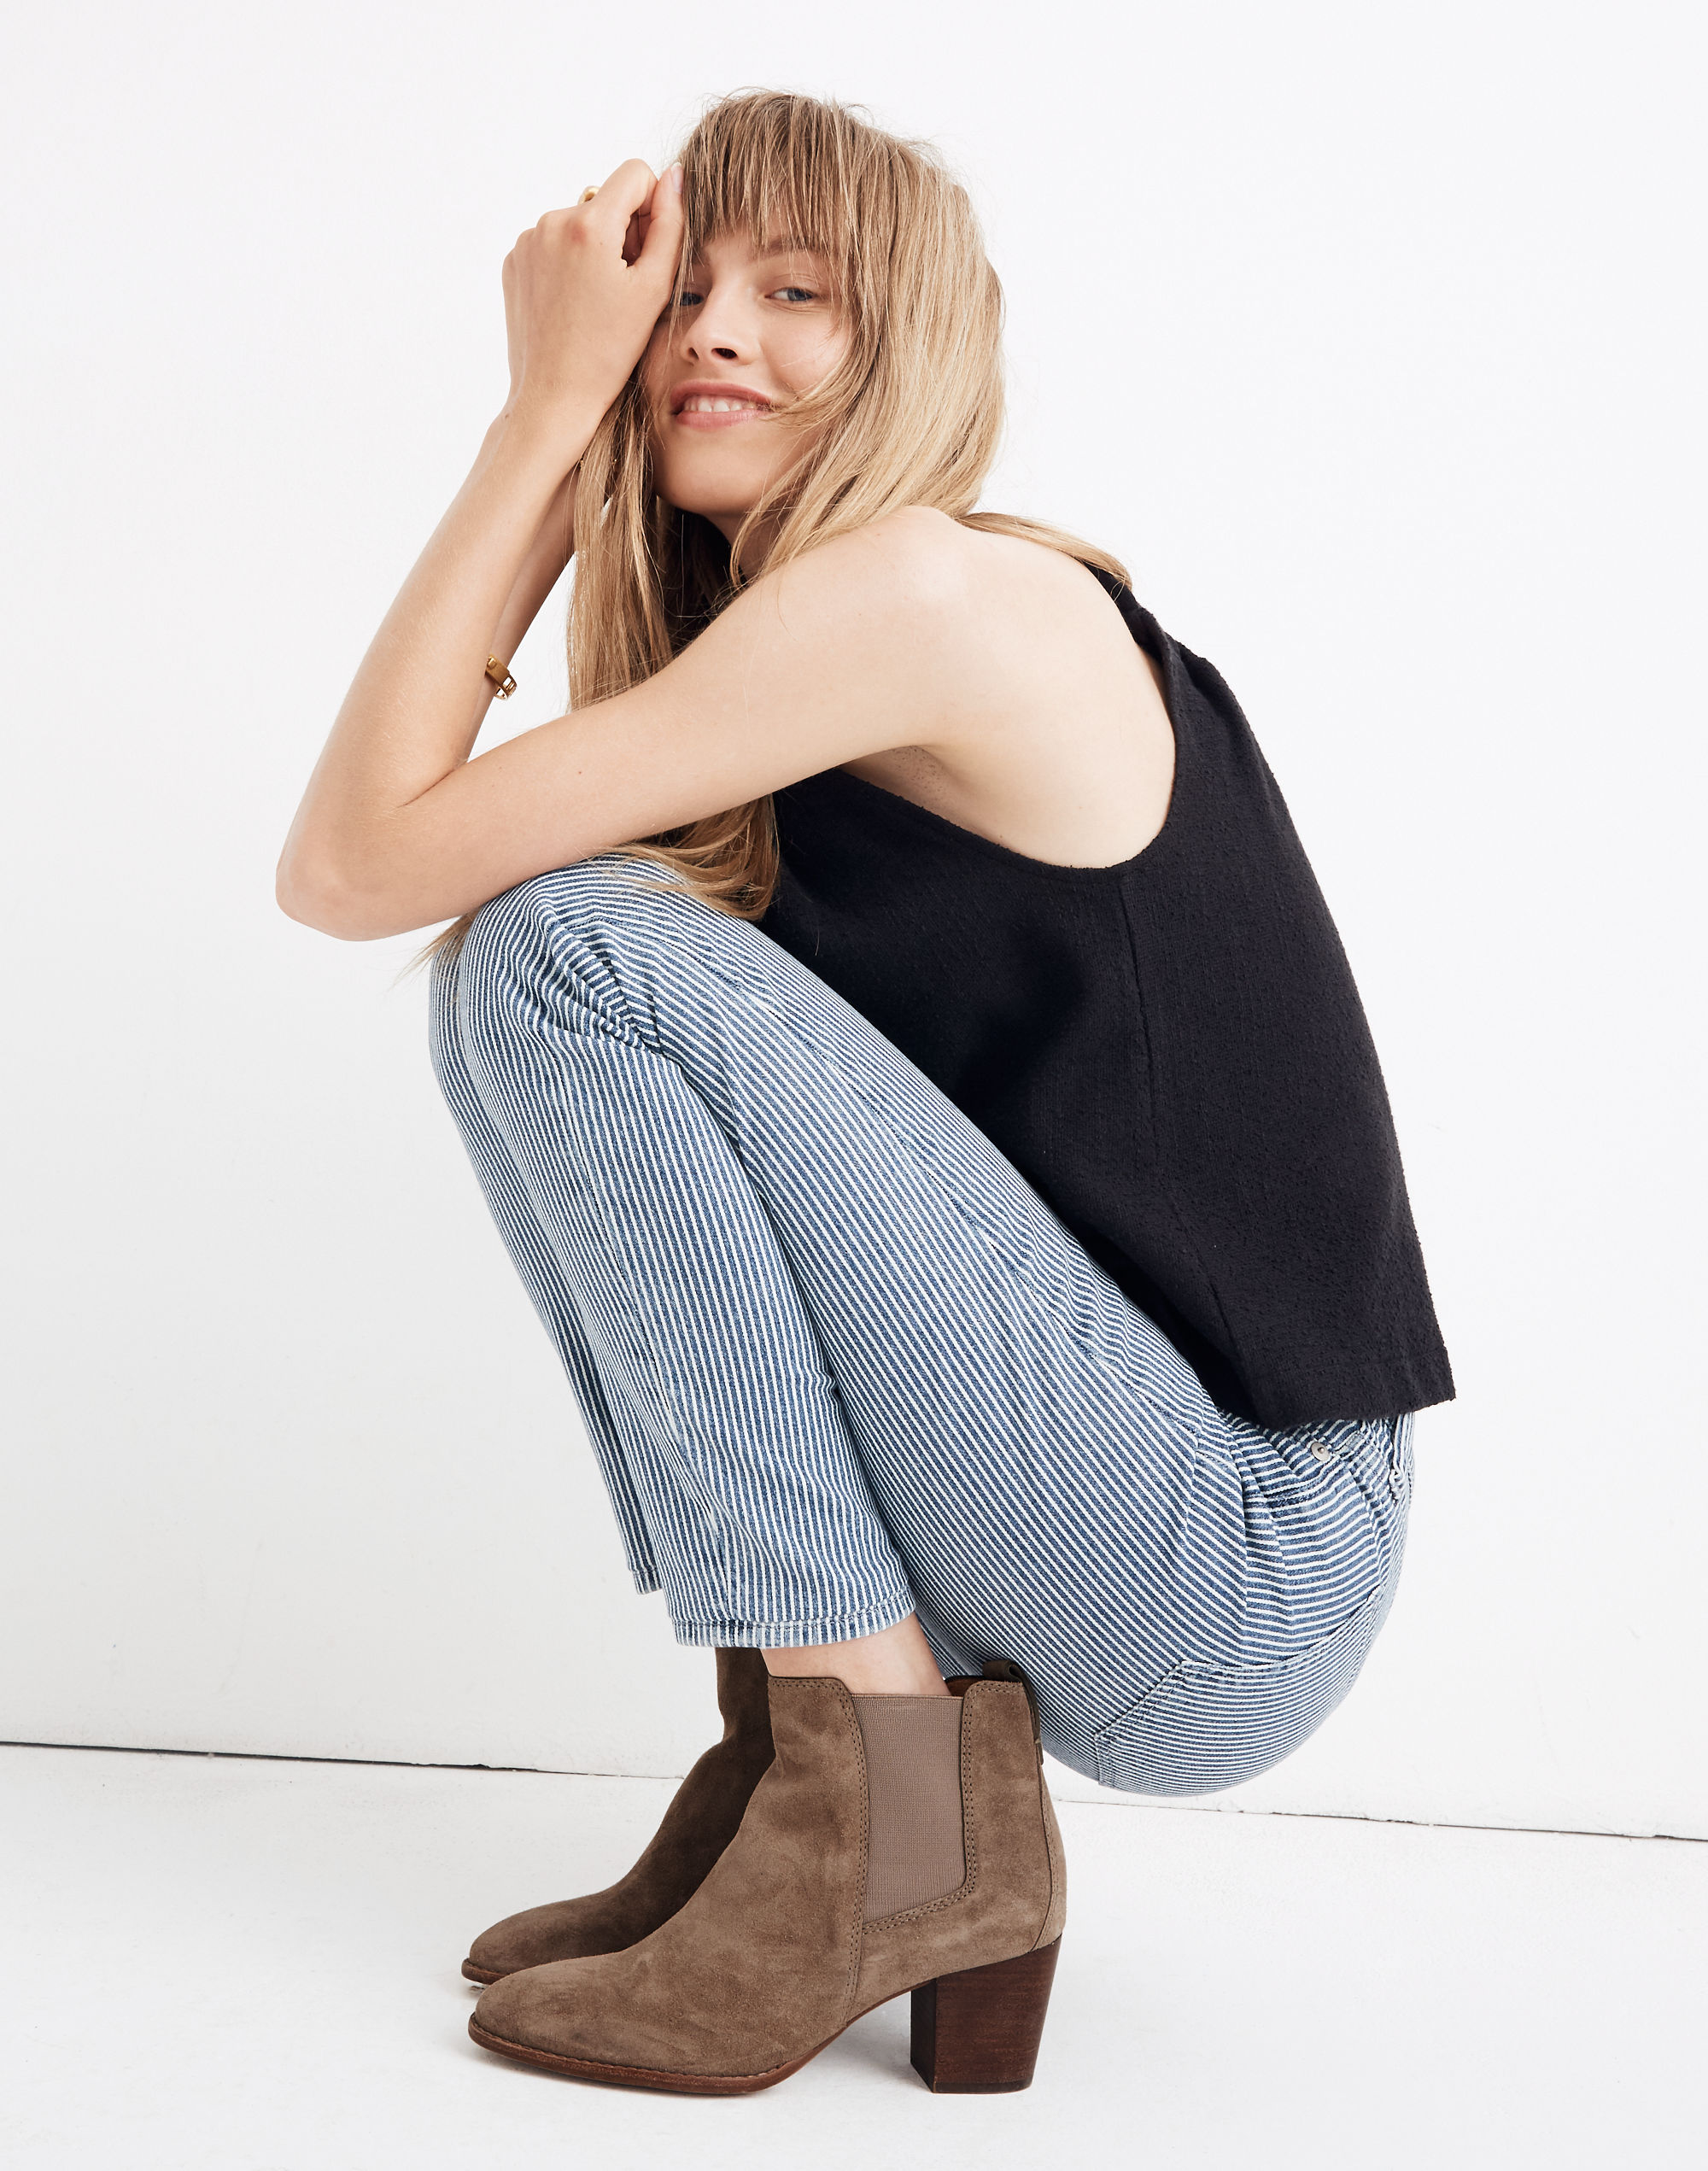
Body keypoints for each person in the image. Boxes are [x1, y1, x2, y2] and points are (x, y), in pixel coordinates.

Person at [278, 90, 1452, 2098]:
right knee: (511, 971)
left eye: (796, 292)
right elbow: (363, 869)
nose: (715, 330)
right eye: (680, 297)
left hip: (1240, 1545)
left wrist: (535, 416)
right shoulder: (780, 655)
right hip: (1120, 1508)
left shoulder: (923, 593)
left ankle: (888, 1814)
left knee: (565, 937)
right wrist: (569, 430)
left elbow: (349, 861)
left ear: (904, 342)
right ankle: (825, 1798)